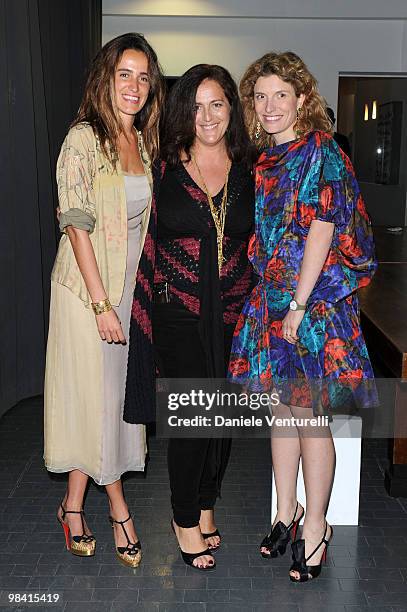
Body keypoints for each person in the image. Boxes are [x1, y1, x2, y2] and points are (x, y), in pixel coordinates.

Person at [229, 51, 377, 582]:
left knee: (311, 419)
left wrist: (296, 305)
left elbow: (322, 229)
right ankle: (285, 512)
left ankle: (316, 527)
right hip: (272, 304)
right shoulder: (266, 159)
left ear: (302, 100)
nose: (270, 106)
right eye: (261, 96)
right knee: (282, 416)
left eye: (281, 96)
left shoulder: (321, 152)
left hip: (308, 309)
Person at [44, 33, 165, 568]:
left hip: (128, 291)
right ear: (105, 78)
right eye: (125, 74)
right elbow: (76, 226)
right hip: (87, 292)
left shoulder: (143, 139)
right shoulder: (83, 139)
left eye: (143, 77)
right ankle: (119, 509)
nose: (134, 86)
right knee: (100, 401)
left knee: (113, 400)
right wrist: (100, 303)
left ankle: (72, 505)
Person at [153, 64, 255, 570]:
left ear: (232, 109)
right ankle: (183, 518)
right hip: (177, 310)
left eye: (217, 103)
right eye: (195, 105)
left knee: (224, 420)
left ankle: (207, 504)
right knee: (195, 416)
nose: (206, 116)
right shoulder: (163, 167)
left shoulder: (251, 169)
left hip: (234, 314)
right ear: (182, 112)